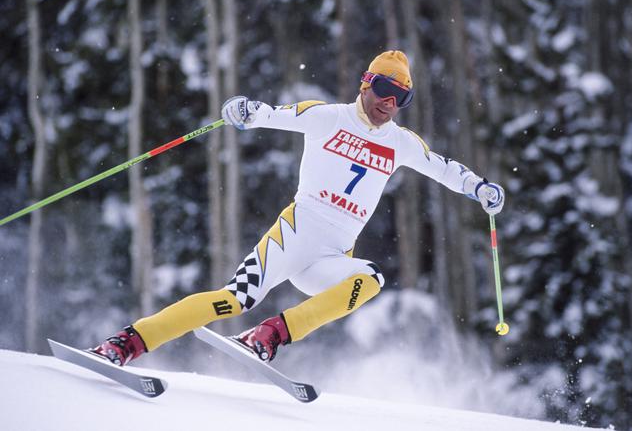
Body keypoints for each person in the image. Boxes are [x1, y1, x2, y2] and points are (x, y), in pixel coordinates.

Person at [90, 50, 504, 366]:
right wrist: (243, 111)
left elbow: (445, 169)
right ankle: (125, 343)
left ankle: (270, 335)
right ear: (365, 84)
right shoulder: (327, 117)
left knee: (371, 277)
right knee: (233, 300)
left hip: (333, 255)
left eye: (402, 96)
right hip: (296, 234)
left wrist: (480, 189)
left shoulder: (401, 142)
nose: (389, 102)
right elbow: (270, 115)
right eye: (384, 89)